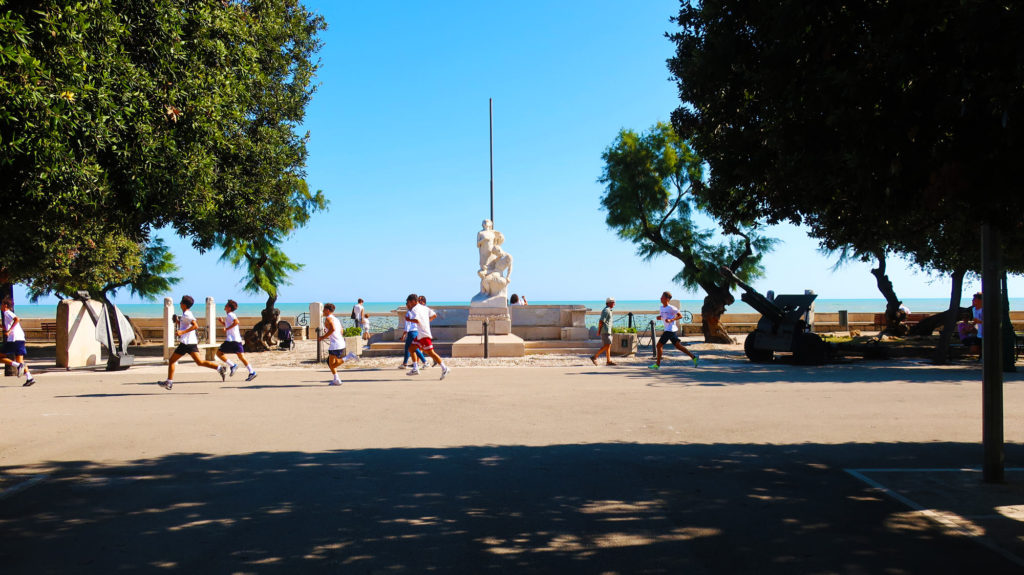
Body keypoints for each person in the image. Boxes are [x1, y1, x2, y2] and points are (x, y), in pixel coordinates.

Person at [159, 295, 224, 390]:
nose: (180, 303)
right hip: (189, 342)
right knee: (199, 362)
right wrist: (177, 321)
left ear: (184, 305)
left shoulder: (187, 314)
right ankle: (219, 368)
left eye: (181, 302)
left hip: (187, 343)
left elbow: (195, 326)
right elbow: (185, 325)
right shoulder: (186, 313)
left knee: (172, 360)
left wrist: (181, 332)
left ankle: (169, 382)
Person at [650, 291, 698, 370]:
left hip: (670, 330)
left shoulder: (671, 308)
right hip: (668, 330)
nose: (660, 298)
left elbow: (680, 316)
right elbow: (664, 316)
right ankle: (694, 357)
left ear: (667, 299)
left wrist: (671, 320)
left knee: (659, 345)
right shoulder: (661, 308)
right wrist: (660, 317)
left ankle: (657, 365)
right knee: (678, 346)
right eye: (661, 297)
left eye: (662, 297)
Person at [405, 293, 449, 379]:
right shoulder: (424, 307)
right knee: (411, 348)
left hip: (423, 334)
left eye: (409, 302)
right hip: (421, 334)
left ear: (413, 301)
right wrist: (426, 321)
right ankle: (415, 368)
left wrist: (408, 319)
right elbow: (434, 315)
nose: (409, 304)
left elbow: (417, 320)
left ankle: (445, 368)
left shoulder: (415, 309)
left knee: (431, 353)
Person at [216, 299, 257, 382]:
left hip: (232, 340)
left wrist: (226, 328)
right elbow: (231, 324)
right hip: (236, 340)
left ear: (229, 308)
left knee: (219, 353)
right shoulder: (230, 315)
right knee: (241, 357)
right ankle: (252, 372)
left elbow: (236, 322)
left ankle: (233, 365)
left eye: (226, 306)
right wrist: (222, 322)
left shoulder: (230, 315)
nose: (225, 307)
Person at [318, 303, 358, 386]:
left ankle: (348, 357)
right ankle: (336, 379)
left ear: (328, 310)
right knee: (331, 363)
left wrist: (323, 337)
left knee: (331, 364)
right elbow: (341, 331)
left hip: (335, 345)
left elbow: (332, 329)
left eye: (324, 310)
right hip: (340, 343)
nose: (323, 311)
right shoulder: (336, 319)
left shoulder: (328, 319)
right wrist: (331, 333)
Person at [0, 297, 35, 386]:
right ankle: (29, 378)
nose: (0, 306)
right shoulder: (6, 314)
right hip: (20, 338)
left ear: (5, 305)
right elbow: (7, 326)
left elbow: (17, 319)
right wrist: (3, 327)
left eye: (1, 304)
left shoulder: (7, 312)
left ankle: (17, 366)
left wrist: (9, 331)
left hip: (14, 339)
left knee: (0, 356)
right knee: (20, 361)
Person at [401, 304, 428, 370]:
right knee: (409, 347)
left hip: (411, 332)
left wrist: (404, 335)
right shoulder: (416, 313)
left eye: (407, 304)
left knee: (414, 348)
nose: (407, 306)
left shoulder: (408, 313)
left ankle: (425, 362)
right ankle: (405, 363)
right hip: (416, 332)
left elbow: (407, 326)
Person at [590, 297, 616, 366]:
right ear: (609, 303)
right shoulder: (606, 310)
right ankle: (594, 357)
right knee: (607, 345)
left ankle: (608, 361)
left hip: (608, 330)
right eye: (613, 302)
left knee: (608, 346)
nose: (614, 303)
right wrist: (598, 331)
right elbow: (601, 321)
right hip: (605, 330)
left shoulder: (609, 310)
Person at [971, 292, 984, 357]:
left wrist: (979, 321)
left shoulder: (984, 309)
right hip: (979, 333)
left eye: (974, 299)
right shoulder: (973, 309)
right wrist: (972, 325)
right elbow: (975, 320)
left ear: (980, 300)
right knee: (974, 349)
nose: (972, 301)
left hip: (986, 333)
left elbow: (989, 322)